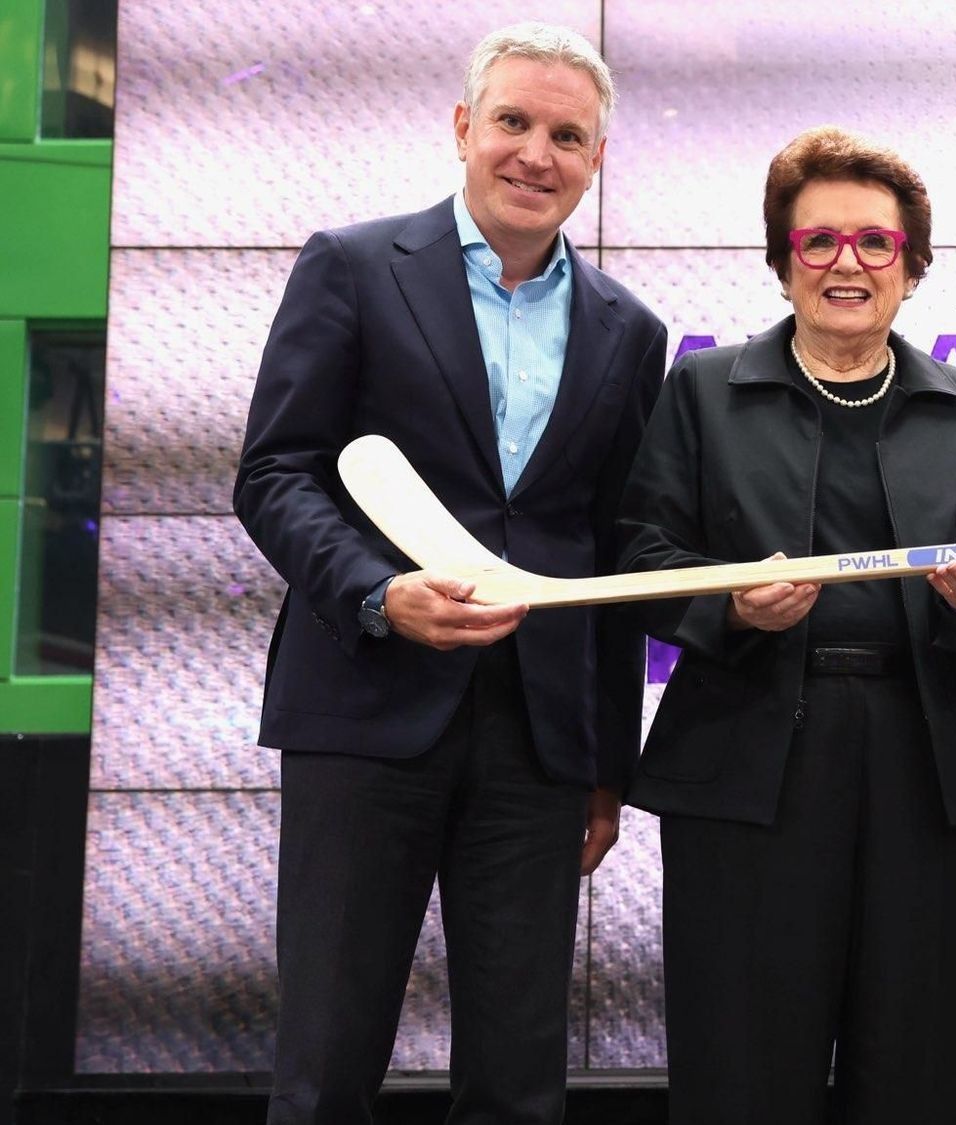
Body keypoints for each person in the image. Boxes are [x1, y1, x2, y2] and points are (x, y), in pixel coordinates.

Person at [232, 23, 665, 1124]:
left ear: (596, 157)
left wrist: (607, 763)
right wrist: (379, 596)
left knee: (520, 1081)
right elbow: (277, 473)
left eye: (567, 134)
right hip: (364, 712)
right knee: (327, 1063)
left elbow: (613, 551)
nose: (536, 153)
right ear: (464, 127)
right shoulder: (353, 264)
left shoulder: (628, 330)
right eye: (513, 122)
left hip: (539, 740)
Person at [615, 125, 956, 1124]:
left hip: (924, 761)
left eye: (874, 244)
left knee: (923, 1068)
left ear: (910, 266)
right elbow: (637, 556)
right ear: (782, 259)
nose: (847, 263)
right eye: (818, 243)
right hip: (745, 754)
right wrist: (726, 603)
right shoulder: (703, 393)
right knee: (742, 1066)